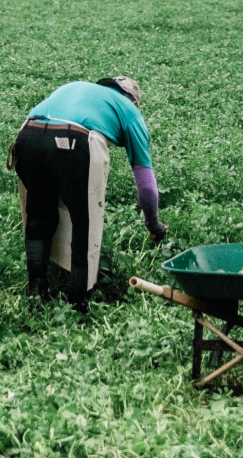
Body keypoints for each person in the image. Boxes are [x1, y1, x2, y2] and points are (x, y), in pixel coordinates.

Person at [12, 77, 166, 308]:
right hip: (74, 139)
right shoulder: (129, 111)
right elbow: (145, 185)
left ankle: (36, 290)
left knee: (39, 215)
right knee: (84, 224)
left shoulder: (75, 87)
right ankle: (78, 301)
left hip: (28, 135)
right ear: (133, 101)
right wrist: (154, 225)